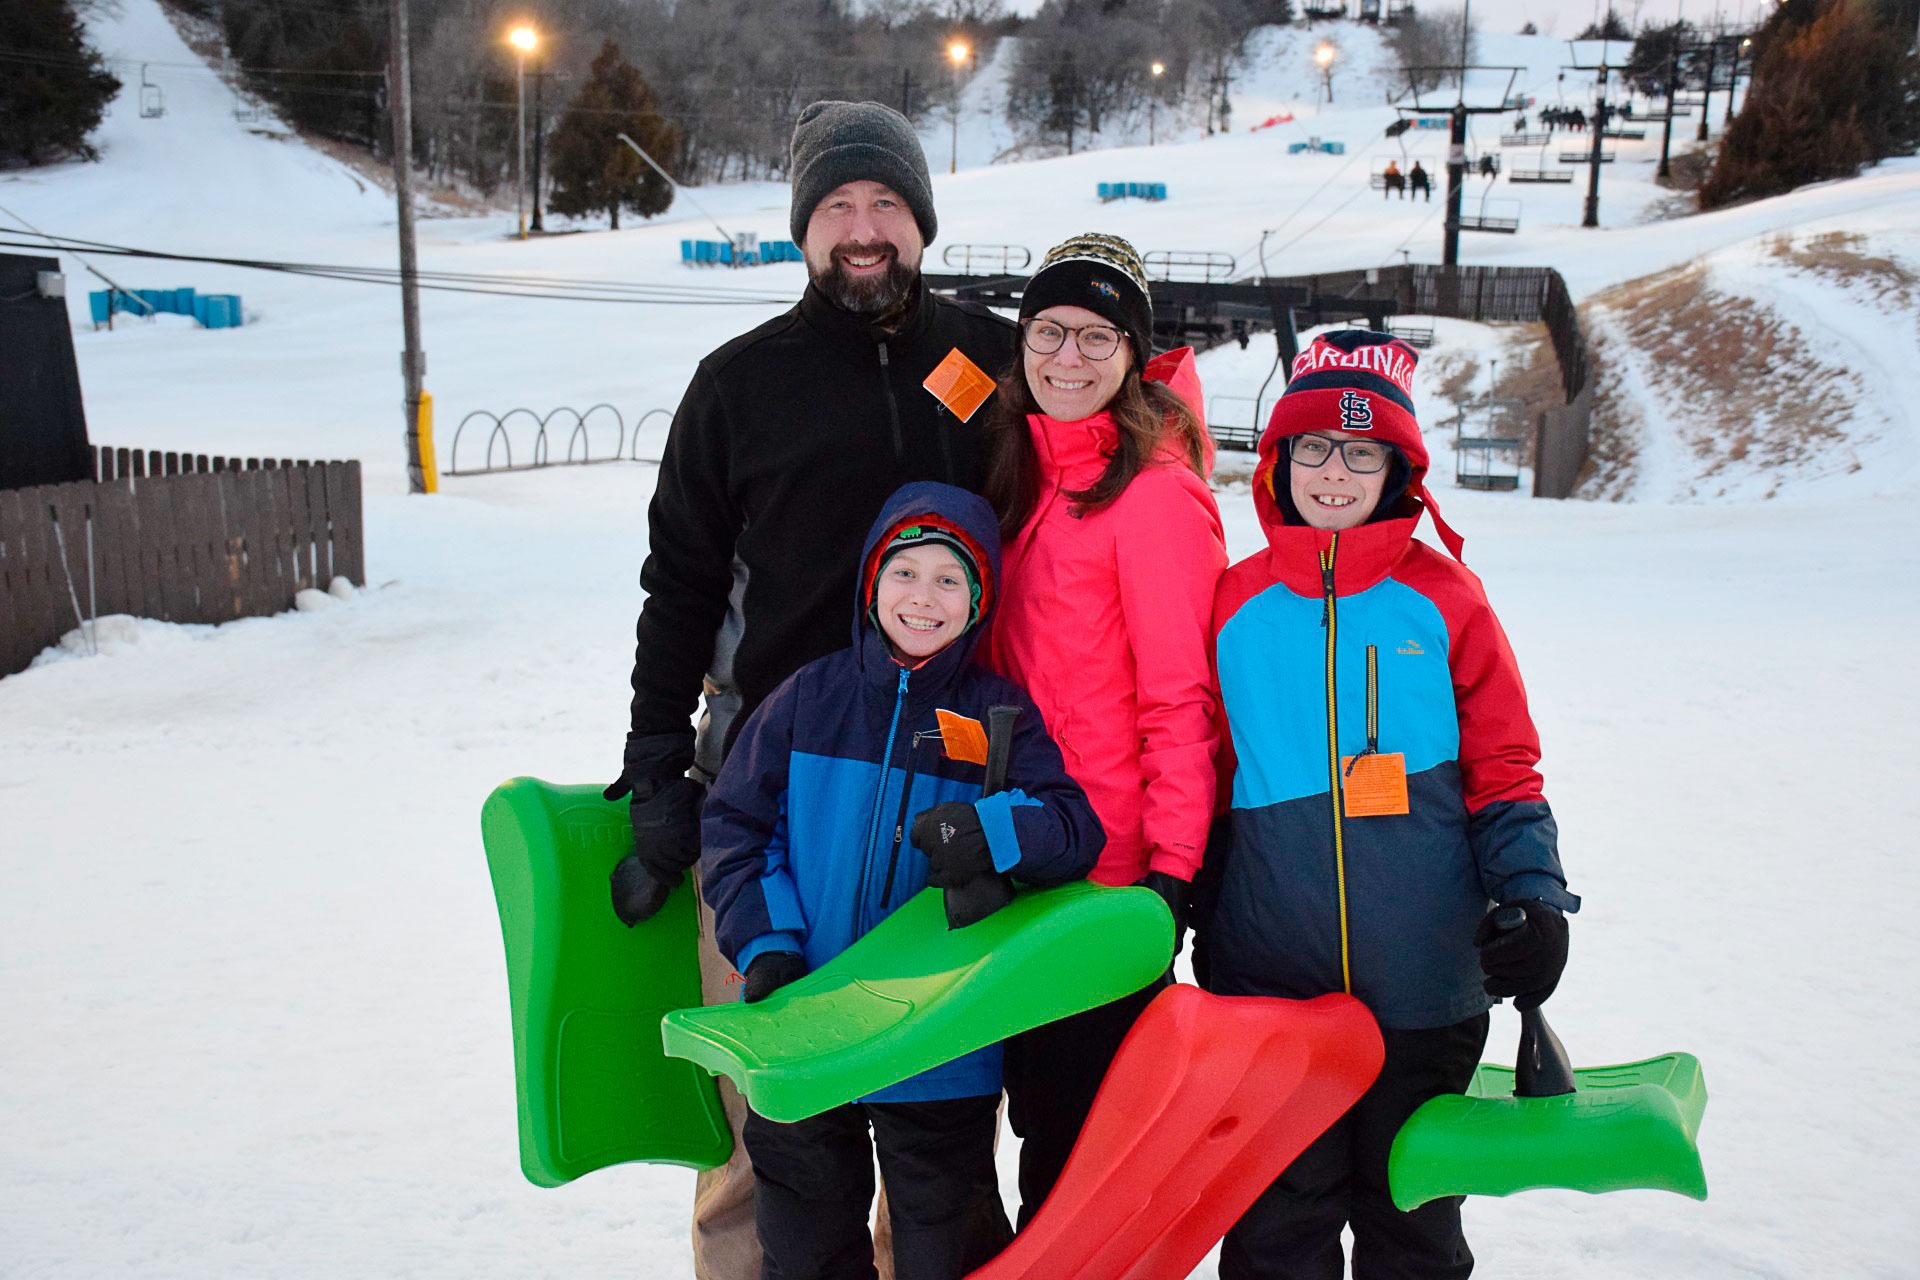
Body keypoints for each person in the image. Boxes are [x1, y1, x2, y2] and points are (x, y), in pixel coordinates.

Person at [603, 100, 1017, 1280]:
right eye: (837, 205)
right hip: (772, 798)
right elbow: (677, 587)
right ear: (803, 228)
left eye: (886, 202)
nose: (864, 228)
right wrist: (654, 770)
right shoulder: (739, 385)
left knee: (931, 1117)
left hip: (949, 796)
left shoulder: (991, 364)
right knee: (762, 1118)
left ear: (922, 221)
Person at [1198, 330, 1579, 1279]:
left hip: (1426, 985)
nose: (1336, 471)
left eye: (1361, 452)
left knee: (1411, 1219)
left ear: (1396, 469)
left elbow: (1505, 766)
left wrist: (1532, 895)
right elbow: (1200, 766)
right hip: (1271, 985)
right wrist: (1184, 893)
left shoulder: (1447, 600)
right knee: (1275, 1225)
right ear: (1279, 462)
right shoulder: (1232, 604)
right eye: (1316, 448)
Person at [702, 481, 1104, 1280]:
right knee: (807, 1243)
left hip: (940, 1037)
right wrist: (770, 944)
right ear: (872, 581)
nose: (924, 598)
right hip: (807, 1016)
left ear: (980, 597)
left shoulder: (998, 715)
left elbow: (1073, 831)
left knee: (941, 1246)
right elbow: (736, 828)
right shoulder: (806, 701)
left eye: (950, 579)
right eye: (906, 573)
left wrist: (988, 831)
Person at [977, 232, 1227, 1227]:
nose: (1067, 357)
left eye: (1094, 336)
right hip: (1018, 861)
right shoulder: (1025, 472)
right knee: (1038, 1130)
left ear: (1132, 355)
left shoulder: (1158, 496)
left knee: (1088, 1159)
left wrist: (1170, 875)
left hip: (1107, 878)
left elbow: (1181, 702)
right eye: (1048, 331)